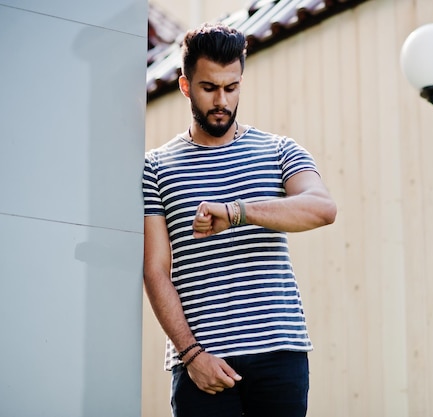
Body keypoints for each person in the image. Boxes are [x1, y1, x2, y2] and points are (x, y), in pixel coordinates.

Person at [142, 22, 337, 417]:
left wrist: (237, 213)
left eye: (231, 88)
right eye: (209, 87)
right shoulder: (155, 167)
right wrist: (191, 354)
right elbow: (155, 270)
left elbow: (321, 208)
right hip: (201, 364)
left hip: (279, 354)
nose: (221, 100)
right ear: (185, 86)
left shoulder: (278, 150)